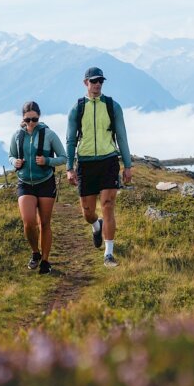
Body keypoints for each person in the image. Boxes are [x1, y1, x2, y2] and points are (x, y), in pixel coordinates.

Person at [66, 66, 133, 267]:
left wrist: (127, 165)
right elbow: (70, 140)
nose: (97, 85)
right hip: (86, 163)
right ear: (85, 83)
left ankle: (108, 254)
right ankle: (96, 225)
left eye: (100, 81)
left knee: (108, 206)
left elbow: (121, 136)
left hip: (108, 161)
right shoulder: (77, 108)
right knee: (88, 211)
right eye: (93, 81)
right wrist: (70, 168)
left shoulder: (113, 106)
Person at [8, 101, 67, 274]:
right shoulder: (17, 136)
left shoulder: (49, 135)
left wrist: (47, 161)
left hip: (46, 182)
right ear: (23, 118)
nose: (31, 123)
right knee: (28, 222)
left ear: (39, 117)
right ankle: (35, 252)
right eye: (27, 120)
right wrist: (15, 162)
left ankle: (45, 262)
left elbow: (63, 157)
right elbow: (11, 155)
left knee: (45, 223)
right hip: (25, 182)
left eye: (34, 119)